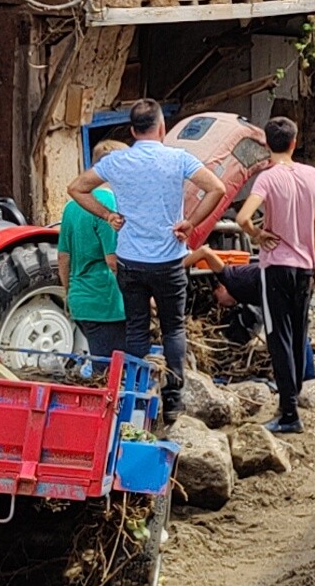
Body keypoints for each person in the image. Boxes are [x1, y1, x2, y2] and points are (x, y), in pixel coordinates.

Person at [68, 99, 225, 419]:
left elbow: (76, 188)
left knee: (137, 331)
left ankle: (136, 399)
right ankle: (174, 401)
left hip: (130, 263)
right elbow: (217, 188)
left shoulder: (117, 162)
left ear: (131, 131)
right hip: (169, 262)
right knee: (173, 329)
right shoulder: (179, 158)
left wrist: (107, 214)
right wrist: (191, 222)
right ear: (162, 128)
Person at [232, 117, 315, 435]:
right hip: (304, 266)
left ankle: (289, 413)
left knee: (279, 338)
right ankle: (295, 399)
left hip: (276, 267)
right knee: (299, 333)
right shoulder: (313, 176)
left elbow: (243, 216)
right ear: (294, 143)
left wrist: (257, 234)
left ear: (266, 145)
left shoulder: (267, 179)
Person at [182, 246, 315, 382]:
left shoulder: (231, 280)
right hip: (298, 278)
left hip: (282, 283)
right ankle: (306, 378)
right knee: (297, 331)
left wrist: (177, 268)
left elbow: (205, 252)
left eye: (217, 298)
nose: (220, 304)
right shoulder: (241, 293)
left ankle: (299, 380)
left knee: (286, 335)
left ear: (221, 287)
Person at [60, 139, 127, 363]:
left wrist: (69, 293)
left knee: (100, 365)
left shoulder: (71, 206)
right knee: (112, 371)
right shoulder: (109, 204)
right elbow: (113, 261)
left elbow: (63, 257)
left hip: (80, 300)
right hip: (107, 302)